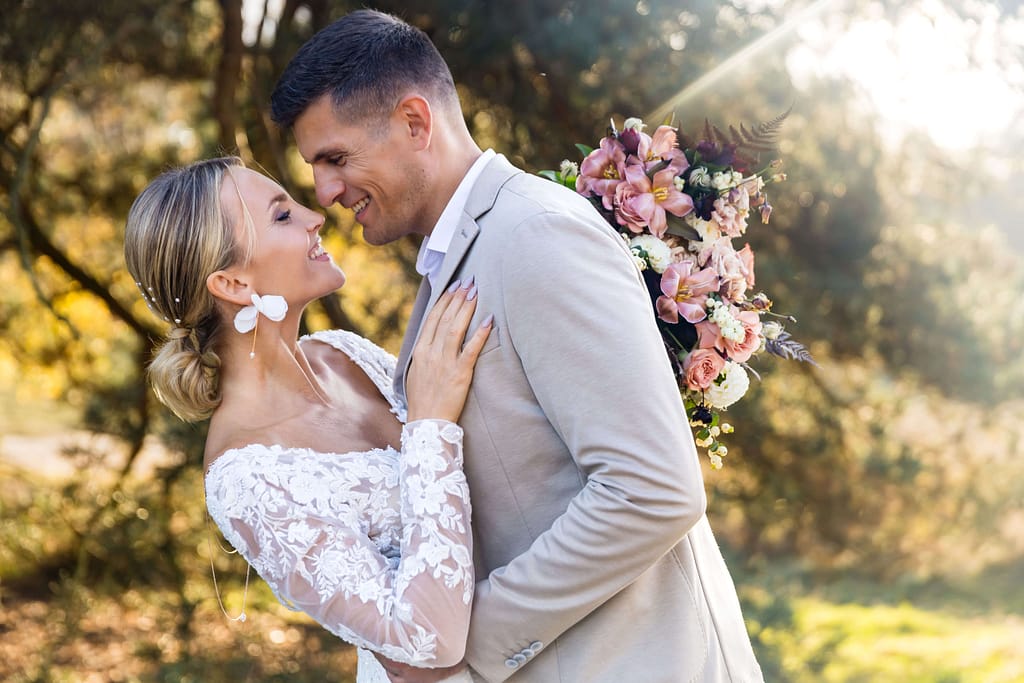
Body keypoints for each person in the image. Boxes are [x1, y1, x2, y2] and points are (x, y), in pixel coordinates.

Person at [270, 10, 764, 683]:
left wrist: (466, 644)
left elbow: (654, 488)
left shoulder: (534, 233)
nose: (325, 191)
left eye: (335, 158)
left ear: (415, 122)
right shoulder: (463, 252)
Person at [123, 156, 494, 683]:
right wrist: (430, 425)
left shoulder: (343, 354)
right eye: (281, 216)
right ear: (231, 282)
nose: (314, 214)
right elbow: (424, 640)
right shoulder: (246, 477)